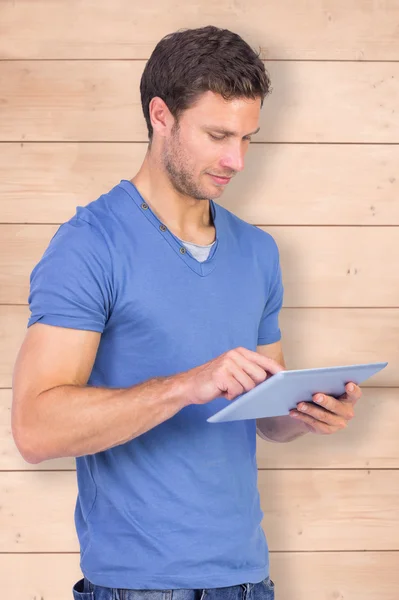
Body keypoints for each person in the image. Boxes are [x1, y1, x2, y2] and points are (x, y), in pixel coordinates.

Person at [11, 25, 361, 600]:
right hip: (139, 589)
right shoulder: (90, 244)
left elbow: (265, 418)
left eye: (248, 138)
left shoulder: (258, 252)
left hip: (248, 581)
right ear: (160, 115)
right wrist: (187, 385)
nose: (236, 160)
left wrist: (305, 412)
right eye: (218, 135)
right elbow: (35, 429)